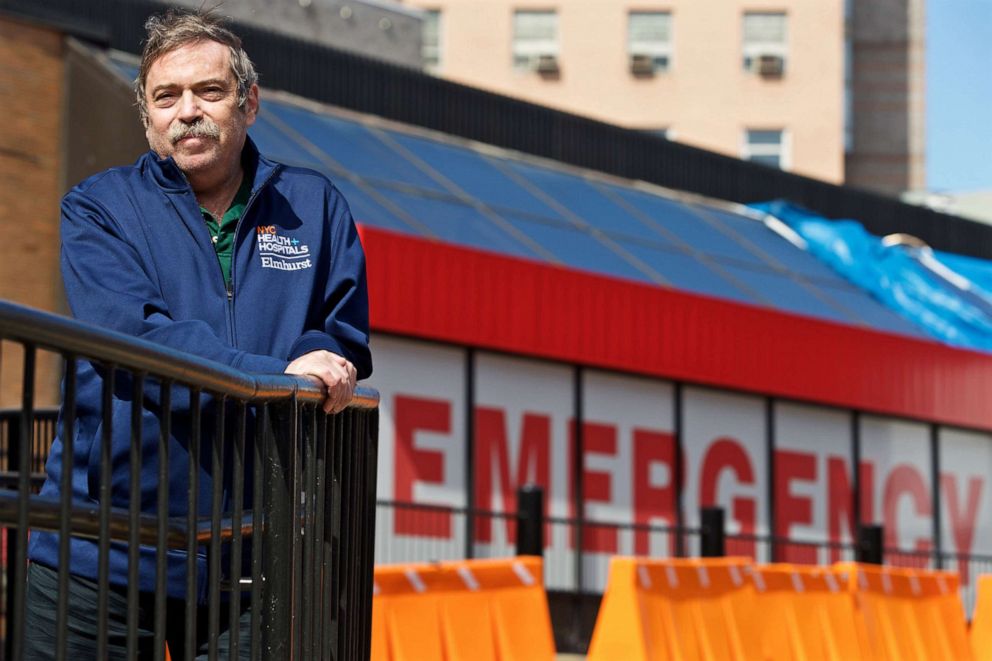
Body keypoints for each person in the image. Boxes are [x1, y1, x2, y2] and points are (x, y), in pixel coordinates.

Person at [23, 8, 372, 659]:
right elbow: (136, 341)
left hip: (250, 555)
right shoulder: (98, 208)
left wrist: (317, 358)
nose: (187, 111)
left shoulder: (314, 206)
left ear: (249, 102)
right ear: (147, 116)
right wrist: (275, 381)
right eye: (166, 96)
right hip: (100, 551)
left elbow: (335, 331)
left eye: (208, 92)